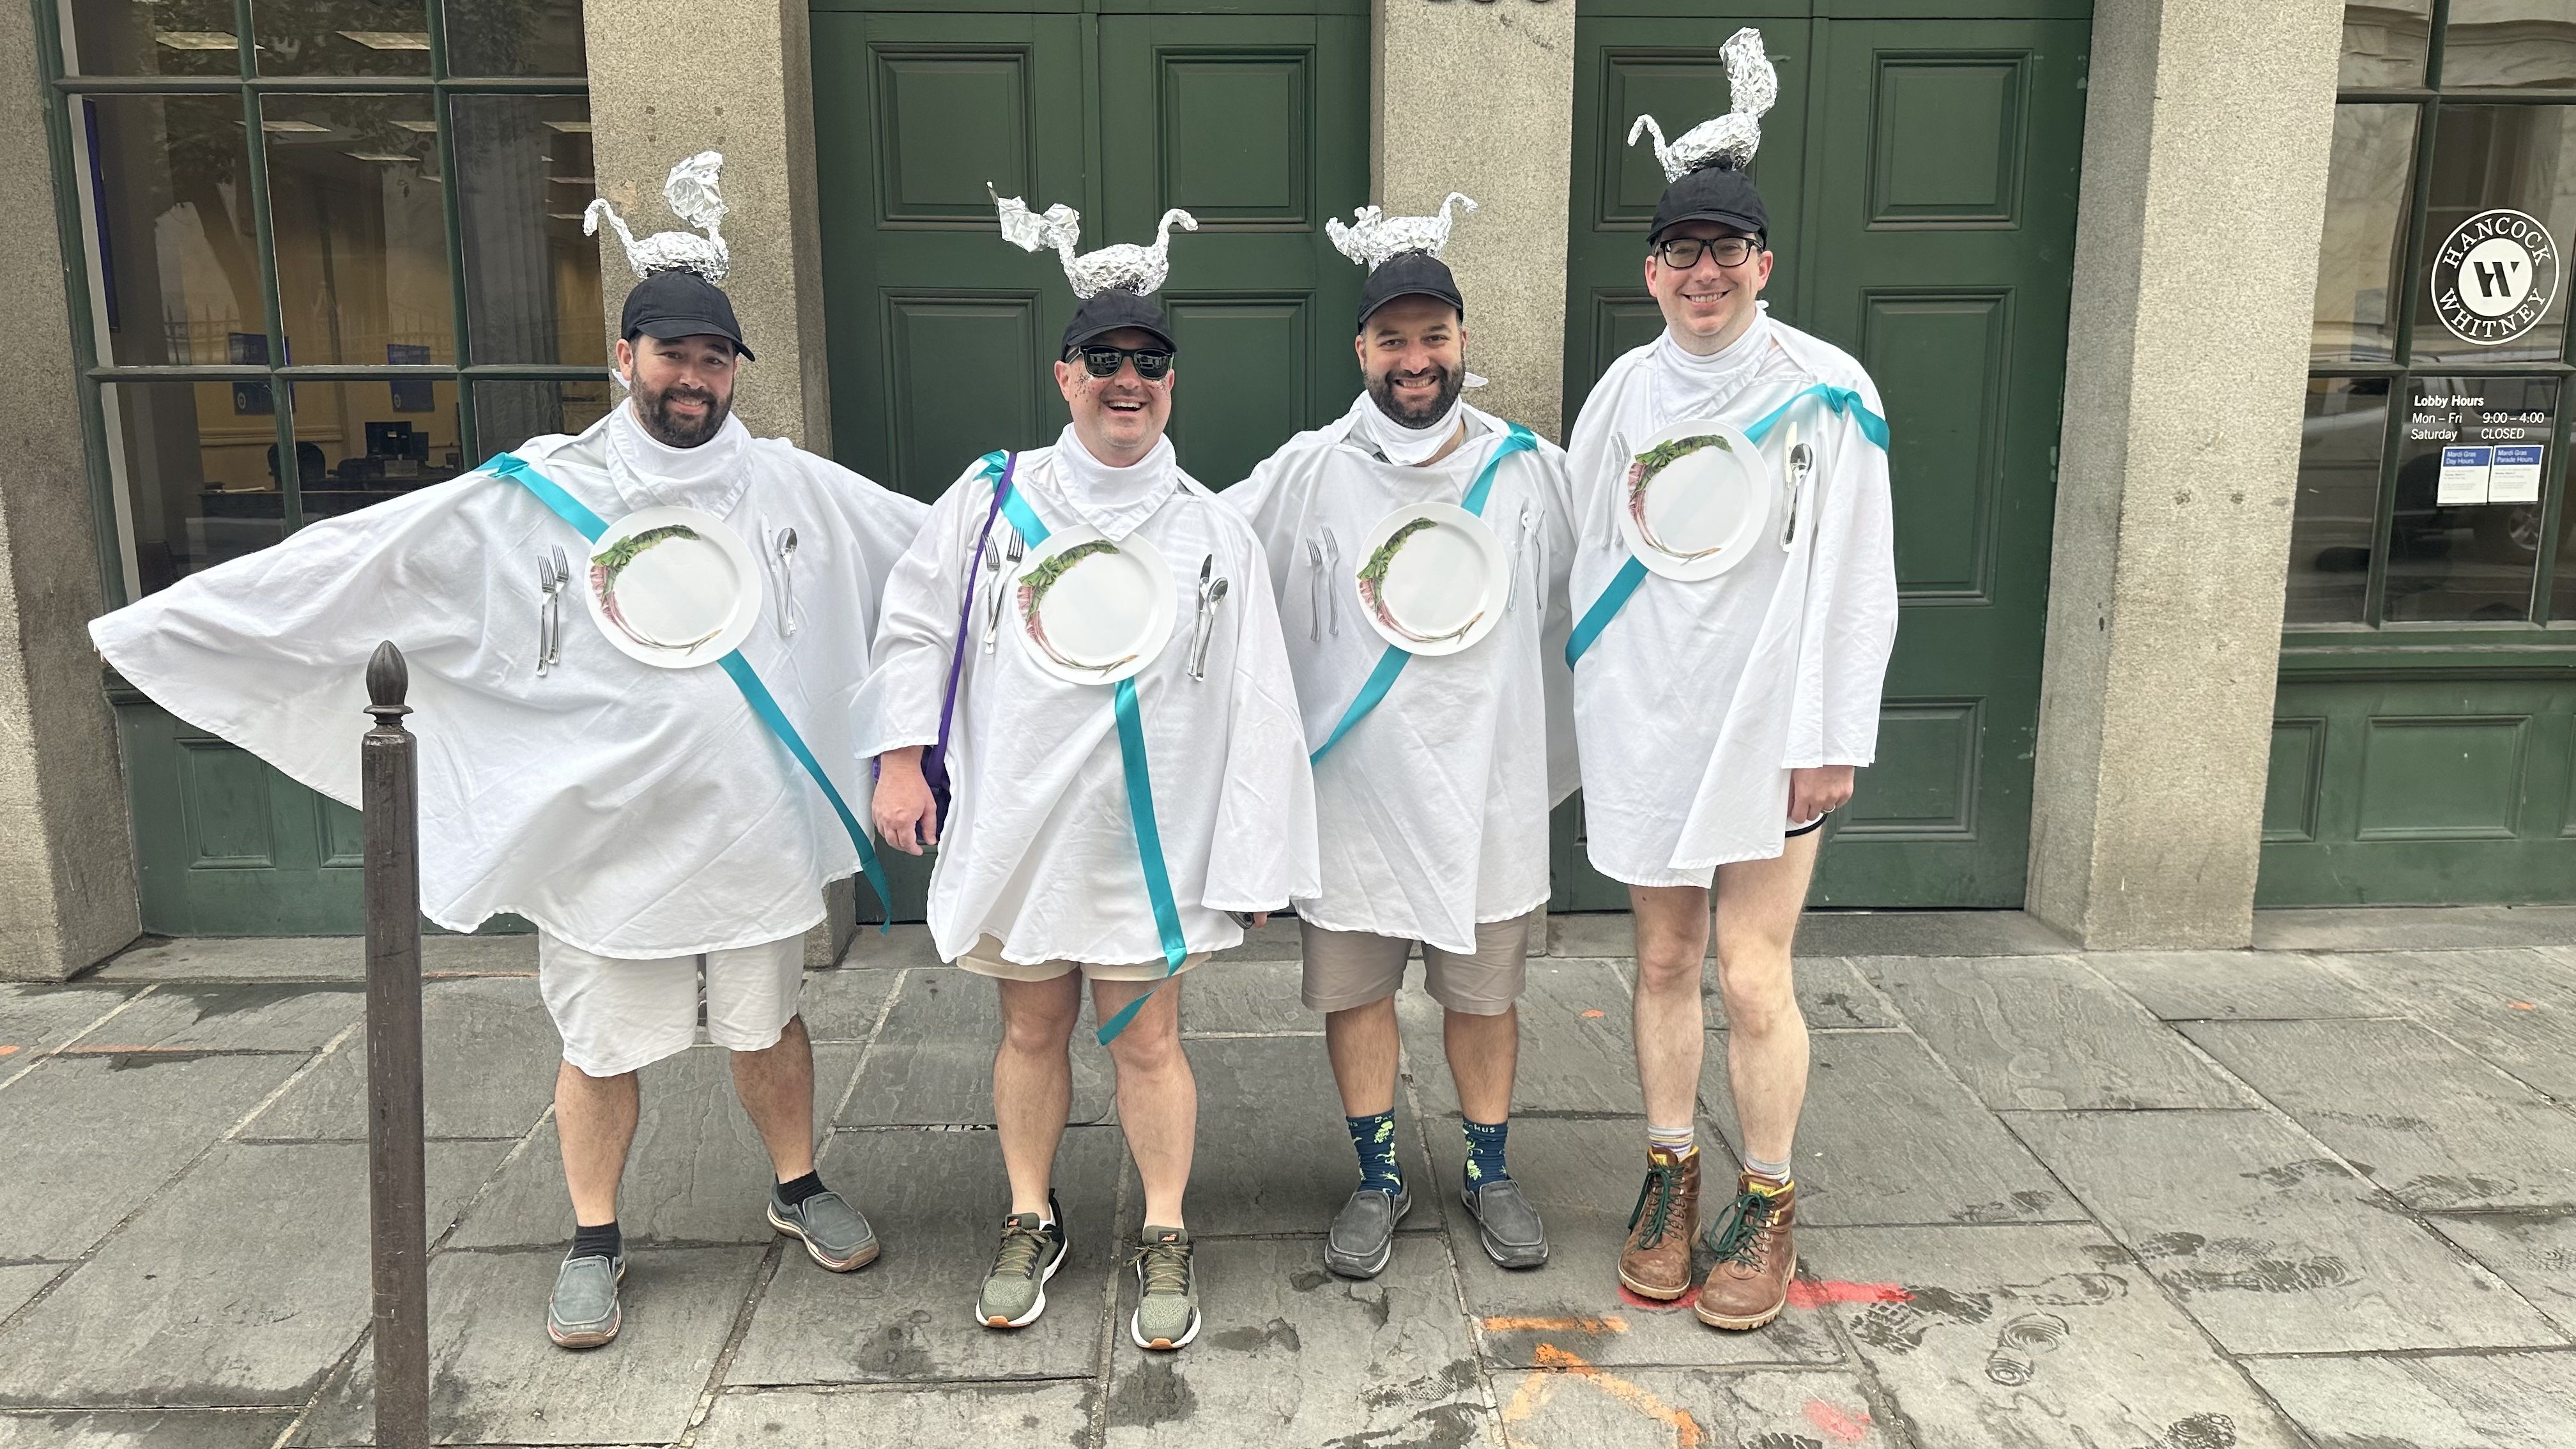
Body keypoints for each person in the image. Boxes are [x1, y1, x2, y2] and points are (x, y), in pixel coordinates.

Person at [89, 155, 928, 1351]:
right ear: (624, 360)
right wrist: (174, 625)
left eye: (713, 357)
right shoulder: (534, 494)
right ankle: (594, 1237)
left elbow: (935, 559)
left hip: (752, 822)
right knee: (599, 1044)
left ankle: (796, 1185)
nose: (692, 377)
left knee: (767, 1022)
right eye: (670, 353)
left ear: (737, 368)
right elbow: (364, 561)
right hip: (604, 835)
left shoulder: (792, 484)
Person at [857, 193, 1318, 1353]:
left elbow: (1261, 695)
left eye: (1150, 361)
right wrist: (903, 759)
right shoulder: (996, 497)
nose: (1129, 378)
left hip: (1143, 836)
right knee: (1029, 1033)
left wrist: (1259, 846)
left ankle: (1165, 1228)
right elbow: (916, 624)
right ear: (1065, 374)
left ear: (1173, 384)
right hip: (1022, 819)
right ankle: (1029, 1214)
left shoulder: (1215, 529)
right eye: (1104, 358)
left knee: (1151, 1041)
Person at [1563, 31, 1896, 1331]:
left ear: (1763, 264)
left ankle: (1767, 1196)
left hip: (1772, 723)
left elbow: (1860, 574)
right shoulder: (1625, 392)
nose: (1705, 273)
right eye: (1682, 253)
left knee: (1753, 974)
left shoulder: (1827, 392)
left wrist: (1834, 731)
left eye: (1727, 251)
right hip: (1651, 712)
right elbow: (1581, 549)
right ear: (1653, 272)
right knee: (1660, 956)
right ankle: (1669, 1172)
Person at [1221, 197, 1575, 1281]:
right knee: (1358, 991)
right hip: (1361, 795)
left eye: (1433, 337)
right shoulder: (1309, 470)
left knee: (1485, 995)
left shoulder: (1531, 471)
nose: (1413, 360)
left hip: (1489, 783)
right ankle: (1378, 1176)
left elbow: (1602, 599)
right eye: (1392, 340)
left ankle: (1489, 1167)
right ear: (1361, 350)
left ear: (1464, 342)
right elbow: (1213, 563)